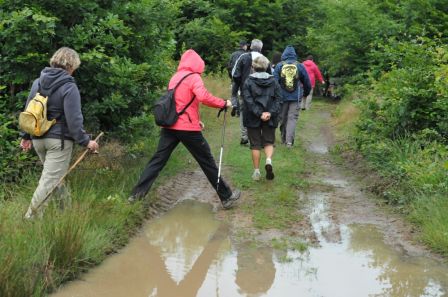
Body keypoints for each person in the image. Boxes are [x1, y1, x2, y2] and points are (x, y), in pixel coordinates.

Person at [128, 49, 241, 209]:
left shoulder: (175, 77)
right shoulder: (194, 77)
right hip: (187, 129)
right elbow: (202, 97)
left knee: (157, 161)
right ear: (197, 64)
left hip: (170, 126)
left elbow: (180, 102)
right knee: (207, 162)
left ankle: (135, 196)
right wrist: (224, 103)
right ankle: (227, 197)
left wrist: (197, 120)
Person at [20, 47, 99, 219]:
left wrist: (26, 136)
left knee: (56, 178)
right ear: (71, 65)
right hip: (59, 142)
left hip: (38, 140)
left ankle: (67, 214)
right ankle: (30, 220)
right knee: (48, 182)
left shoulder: (37, 82)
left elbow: (29, 111)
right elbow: (74, 120)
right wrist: (86, 142)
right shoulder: (69, 86)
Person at [242, 55, 282, 181]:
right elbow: (279, 100)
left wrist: (259, 113)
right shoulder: (274, 81)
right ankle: (268, 160)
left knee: (255, 144)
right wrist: (269, 113)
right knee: (269, 141)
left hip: (252, 116)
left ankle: (257, 172)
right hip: (270, 117)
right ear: (267, 67)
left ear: (253, 67)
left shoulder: (248, 82)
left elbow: (248, 101)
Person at [231, 39, 271, 145]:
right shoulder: (265, 59)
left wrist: (238, 86)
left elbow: (235, 74)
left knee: (245, 112)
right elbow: (270, 77)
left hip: (245, 91)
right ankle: (257, 136)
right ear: (261, 48)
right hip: (261, 92)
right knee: (259, 112)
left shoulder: (243, 57)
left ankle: (245, 136)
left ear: (251, 47)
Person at [273, 45, 311, 147]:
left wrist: (275, 95)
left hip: (282, 97)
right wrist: (306, 93)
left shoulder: (279, 65)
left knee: (283, 118)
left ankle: (283, 137)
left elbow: (275, 82)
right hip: (296, 97)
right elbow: (307, 82)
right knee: (292, 118)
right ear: (294, 55)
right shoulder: (300, 66)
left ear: (284, 55)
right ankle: (289, 142)